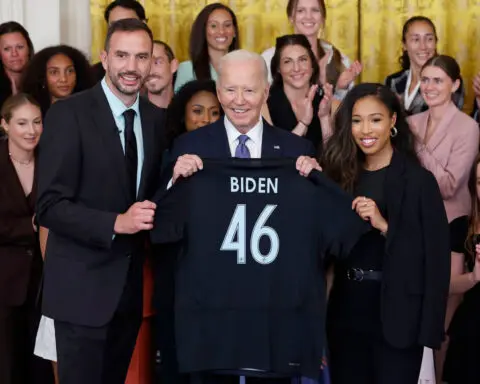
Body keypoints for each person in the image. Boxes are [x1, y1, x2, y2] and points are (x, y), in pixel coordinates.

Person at [163, 49, 321, 384]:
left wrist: (316, 185)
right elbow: (164, 226)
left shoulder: (296, 152)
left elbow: (312, 235)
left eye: (249, 90)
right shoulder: (188, 147)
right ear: (219, 92)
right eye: (231, 90)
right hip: (210, 312)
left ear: (266, 92)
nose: (239, 100)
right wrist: (173, 181)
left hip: (272, 313)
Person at [36, 18, 166, 384]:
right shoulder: (68, 114)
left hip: (127, 297)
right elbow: (49, 205)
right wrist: (114, 223)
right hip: (79, 295)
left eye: (142, 57)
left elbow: (150, 198)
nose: (131, 67)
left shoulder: (156, 120)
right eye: (122, 55)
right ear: (104, 58)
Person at [322, 83, 450, 384]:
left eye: (375, 119)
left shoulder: (419, 181)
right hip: (345, 314)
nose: (366, 129)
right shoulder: (338, 175)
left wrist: (383, 225)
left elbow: (434, 259)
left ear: (393, 121)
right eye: (356, 120)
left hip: (399, 319)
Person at [408, 54, 479, 382]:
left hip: (451, 230)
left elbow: (451, 185)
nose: (430, 87)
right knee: (417, 317)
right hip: (415, 229)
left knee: (443, 324)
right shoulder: (412, 122)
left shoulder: (468, 126)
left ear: (455, 84)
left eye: (438, 80)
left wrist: (418, 148)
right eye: (425, 80)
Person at [0, 93, 44, 384]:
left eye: (37, 122)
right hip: (3, 281)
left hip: (45, 280)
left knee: (39, 365)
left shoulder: (51, 159)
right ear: (4, 125)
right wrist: (32, 226)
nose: (31, 131)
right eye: (22, 123)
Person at [261, 0, 361, 101]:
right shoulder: (269, 59)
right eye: (301, 11)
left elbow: (347, 112)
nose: (308, 16)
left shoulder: (340, 60)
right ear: (291, 17)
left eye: (315, 10)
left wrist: (340, 88)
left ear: (323, 17)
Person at [262, 34, 334, 158]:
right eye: (287, 61)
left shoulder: (331, 103)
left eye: (302, 60)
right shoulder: (264, 107)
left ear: (312, 64)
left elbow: (335, 161)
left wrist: (324, 118)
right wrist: (303, 123)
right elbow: (272, 157)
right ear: (278, 68)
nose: (296, 68)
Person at [443, 155, 480, 384]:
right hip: (473, 327)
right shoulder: (462, 227)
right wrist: (474, 277)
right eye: (479, 181)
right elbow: (449, 284)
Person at [385, 16, 464, 115]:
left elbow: (448, 120)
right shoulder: (392, 81)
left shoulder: (449, 80)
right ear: (404, 45)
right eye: (416, 39)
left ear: (435, 42)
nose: (423, 47)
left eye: (429, 39)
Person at [174, 2, 240, 91]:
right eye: (214, 26)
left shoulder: (246, 67)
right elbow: (179, 104)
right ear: (203, 30)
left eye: (227, 25)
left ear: (234, 31)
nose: (221, 31)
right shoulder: (187, 69)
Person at [21, 44, 94, 116]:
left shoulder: (91, 112)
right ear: (42, 77)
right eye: (54, 72)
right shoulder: (30, 113)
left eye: (70, 71)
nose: (63, 79)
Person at [91, 0, 147, 82]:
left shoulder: (160, 68)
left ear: (144, 24)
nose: (121, 31)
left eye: (128, 24)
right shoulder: (93, 75)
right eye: (114, 26)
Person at [165, 79, 222, 148]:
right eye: (198, 111)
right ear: (183, 113)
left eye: (214, 113)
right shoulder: (170, 151)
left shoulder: (230, 150)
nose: (206, 119)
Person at [0, 22, 34, 110]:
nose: (14, 54)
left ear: (28, 49)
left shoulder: (42, 81)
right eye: (7, 49)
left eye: (20, 47)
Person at [145, 40, 178, 109]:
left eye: (157, 62)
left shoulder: (186, 110)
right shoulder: (132, 112)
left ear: (173, 66)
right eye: (145, 64)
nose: (150, 70)